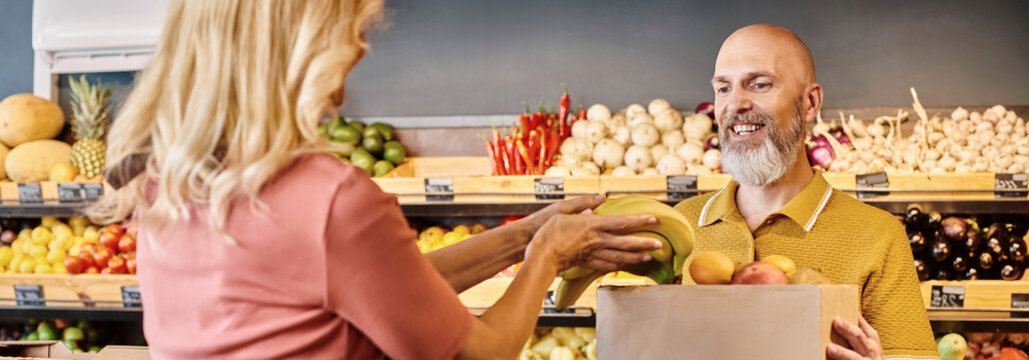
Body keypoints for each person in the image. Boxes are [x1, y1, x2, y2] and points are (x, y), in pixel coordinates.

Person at [89, 1, 663, 358]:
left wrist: (524, 236)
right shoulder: (330, 199)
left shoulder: (165, 180)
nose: (360, 51)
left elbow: (382, 288)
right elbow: (475, 356)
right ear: (300, 45)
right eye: (352, 31)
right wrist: (545, 260)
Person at [674, 25, 938, 359]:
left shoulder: (877, 236)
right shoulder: (681, 226)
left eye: (759, 84)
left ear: (810, 103)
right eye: (723, 88)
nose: (736, 104)